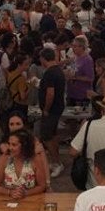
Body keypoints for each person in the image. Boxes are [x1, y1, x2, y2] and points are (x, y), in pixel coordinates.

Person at [0, 129, 46, 199]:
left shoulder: (36, 159)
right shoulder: (4, 158)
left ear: (24, 146)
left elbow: (42, 186)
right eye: (9, 144)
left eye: (14, 145)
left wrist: (26, 193)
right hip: (8, 200)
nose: (10, 148)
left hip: (31, 200)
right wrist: (10, 192)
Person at [38, 48, 66, 178]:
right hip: (58, 107)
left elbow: (50, 93)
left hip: (51, 110)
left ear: (44, 58)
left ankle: (57, 162)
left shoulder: (50, 73)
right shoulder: (58, 71)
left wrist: (46, 109)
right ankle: (56, 161)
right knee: (53, 135)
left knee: (46, 137)